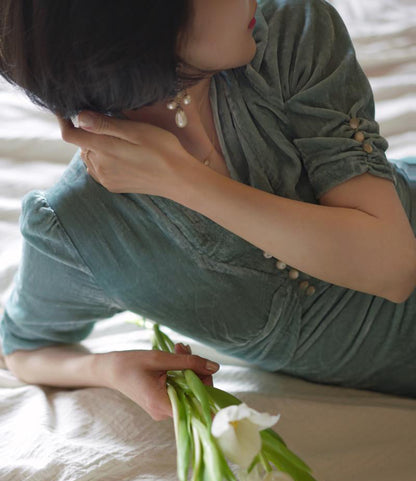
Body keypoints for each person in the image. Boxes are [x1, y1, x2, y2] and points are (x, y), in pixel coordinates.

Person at [0, 0, 415, 421]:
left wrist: (185, 182)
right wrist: (107, 368)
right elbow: (22, 349)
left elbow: (392, 268)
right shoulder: (79, 225)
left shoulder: (289, 34)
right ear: (139, 22)